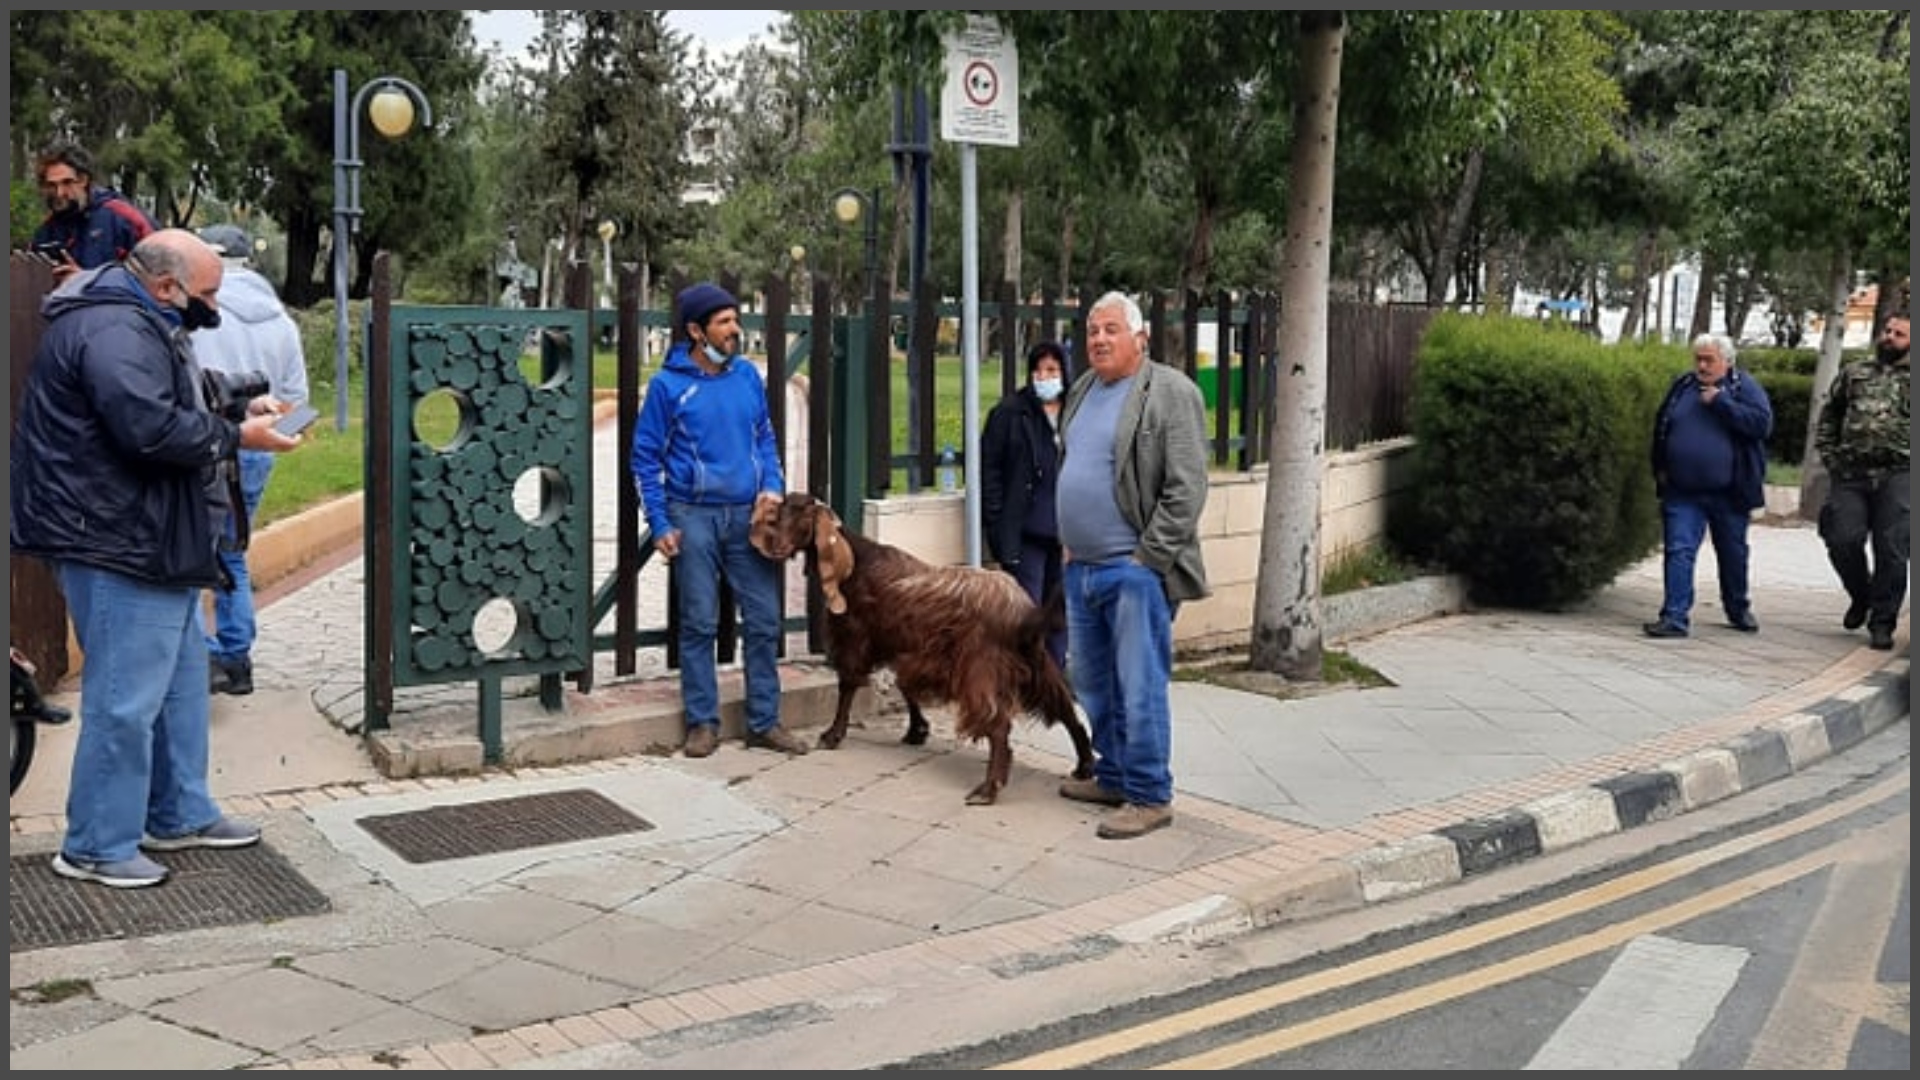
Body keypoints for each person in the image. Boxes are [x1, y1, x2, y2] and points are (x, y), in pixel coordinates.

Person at [9, 228, 302, 889]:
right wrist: (236, 434)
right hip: (116, 541)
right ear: (166, 286)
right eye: (207, 294)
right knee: (125, 699)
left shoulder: (140, 318)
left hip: (150, 537)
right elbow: (147, 427)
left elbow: (171, 391)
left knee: (178, 687)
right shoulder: (114, 328)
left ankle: (178, 811)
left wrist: (234, 399)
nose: (213, 308)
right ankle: (94, 845)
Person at [1053, 291, 1210, 839]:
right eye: (1093, 330)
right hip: (1083, 568)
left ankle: (1149, 794)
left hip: (1134, 571)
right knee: (1093, 682)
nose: (1098, 338)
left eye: (1111, 329)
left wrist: (1148, 560)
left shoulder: (1170, 393)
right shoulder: (1083, 389)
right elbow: (1075, 463)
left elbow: (1186, 489)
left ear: (1139, 338)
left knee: (1139, 684)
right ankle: (1114, 774)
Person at [630, 282, 806, 758]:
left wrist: (772, 485)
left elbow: (765, 437)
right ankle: (702, 723)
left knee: (766, 621)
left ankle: (764, 722)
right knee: (699, 623)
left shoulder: (747, 376)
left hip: (750, 518)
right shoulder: (668, 387)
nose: (735, 329)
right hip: (695, 516)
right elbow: (645, 459)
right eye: (724, 322)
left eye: (735, 319)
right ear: (695, 330)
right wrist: (661, 522)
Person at [194, 223, 311, 696]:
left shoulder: (198, 311)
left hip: (203, 445)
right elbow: (298, 404)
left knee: (189, 553)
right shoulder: (282, 322)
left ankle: (197, 658)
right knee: (232, 553)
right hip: (258, 450)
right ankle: (235, 658)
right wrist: (271, 445)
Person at [1643, 333, 1774, 639]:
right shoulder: (1683, 387)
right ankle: (1674, 617)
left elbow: (1761, 425)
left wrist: (1721, 403)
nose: (1702, 365)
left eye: (1709, 360)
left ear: (1726, 361)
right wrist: (1660, 468)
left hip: (1729, 492)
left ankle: (1737, 607)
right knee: (1679, 550)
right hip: (1683, 490)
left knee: (1732, 553)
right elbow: (1662, 426)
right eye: (1698, 359)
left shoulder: (1743, 387)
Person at [1813, 311, 1909, 652]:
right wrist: (1831, 457)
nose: (1889, 337)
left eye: (1898, 334)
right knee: (1842, 538)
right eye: (1887, 330)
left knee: (1892, 549)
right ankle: (1861, 594)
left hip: (1899, 475)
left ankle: (1882, 622)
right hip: (1851, 473)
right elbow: (1831, 415)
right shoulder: (1856, 373)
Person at [980, 339, 1070, 672]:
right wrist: (997, 526)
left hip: (1066, 536)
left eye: (1052, 370)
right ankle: (1024, 679)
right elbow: (990, 473)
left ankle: (1055, 677)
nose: (1044, 377)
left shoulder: (1074, 412)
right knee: (1025, 614)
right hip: (1025, 534)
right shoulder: (1009, 414)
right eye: (1038, 370)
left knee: (1059, 614)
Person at [29, 141, 157, 286]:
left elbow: (160, 274)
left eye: (67, 183)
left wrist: (87, 280)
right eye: (52, 185)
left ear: (83, 180)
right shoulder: (45, 232)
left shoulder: (122, 218)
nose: (60, 193)